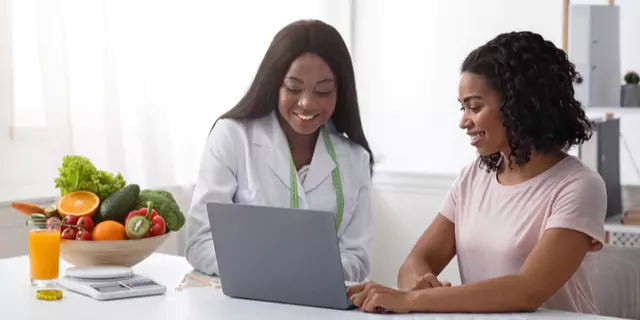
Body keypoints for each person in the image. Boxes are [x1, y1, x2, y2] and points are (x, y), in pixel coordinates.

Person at [347, 31, 607, 314]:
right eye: (463, 108)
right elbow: (416, 261)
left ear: (519, 105)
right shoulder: (472, 178)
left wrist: (412, 300)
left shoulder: (579, 186)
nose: (463, 122)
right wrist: (417, 285)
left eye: (474, 107)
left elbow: (528, 290)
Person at [185, 19, 374, 283]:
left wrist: (311, 275)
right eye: (293, 88)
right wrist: (266, 271)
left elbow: (357, 256)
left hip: (319, 301)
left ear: (340, 92)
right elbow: (200, 240)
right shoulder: (232, 136)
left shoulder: (355, 159)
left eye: (323, 91)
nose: (307, 103)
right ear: (274, 83)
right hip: (247, 299)